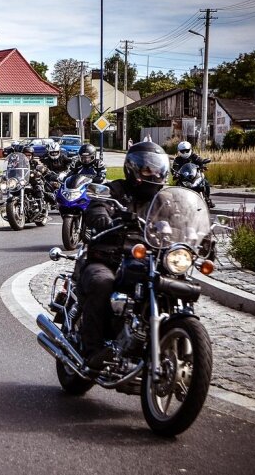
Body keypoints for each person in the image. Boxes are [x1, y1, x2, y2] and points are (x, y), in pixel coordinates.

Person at [79, 141, 170, 370]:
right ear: (133, 168)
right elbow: (98, 203)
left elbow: (181, 222)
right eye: (147, 169)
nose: (153, 174)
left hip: (148, 262)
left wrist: (202, 237)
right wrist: (102, 216)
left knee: (171, 285)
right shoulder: (116, 190)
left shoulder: (164, 201)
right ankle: (93, 351)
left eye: (157, 169)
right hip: (109, 259)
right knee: (103, 284)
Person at [172, 141, 214, 208]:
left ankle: (207, 199)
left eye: (186, 150)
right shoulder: (177, 159)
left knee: (205, 183)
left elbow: (201, 161)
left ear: (190, 149)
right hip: (184, 178)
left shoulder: (194, 156)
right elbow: (175, 168)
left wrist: (203, 165)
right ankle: (176, 204)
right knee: (176, 187)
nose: (185, 153)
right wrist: (175, 173)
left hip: (195, 176)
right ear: (179, 151)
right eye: (182, 151)